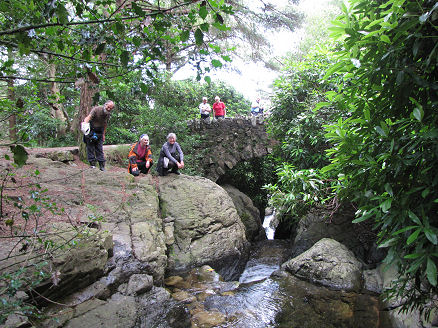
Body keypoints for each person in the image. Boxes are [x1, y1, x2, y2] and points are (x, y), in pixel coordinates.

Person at [82, 100, 114, 171]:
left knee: (99, 149)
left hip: (100, 131)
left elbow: (105, 124)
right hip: (91, 130)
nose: (108, 109)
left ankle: (102, 166)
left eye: (110, 108)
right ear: (105, 105)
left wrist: (103, 135)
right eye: (108, 107)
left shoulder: (108, 114)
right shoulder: (96, 109)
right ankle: (92, 165)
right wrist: (84, 125)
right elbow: (88, 117)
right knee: (90, 147)